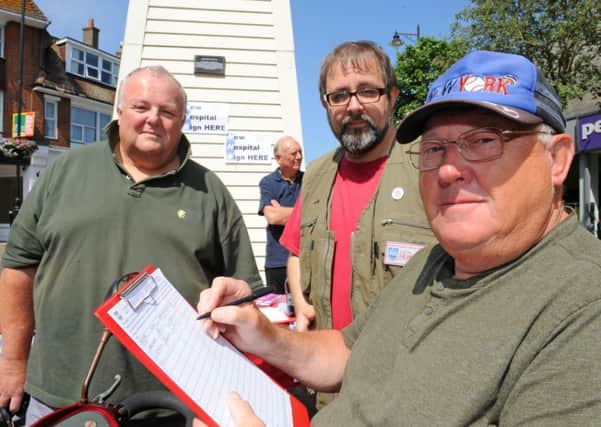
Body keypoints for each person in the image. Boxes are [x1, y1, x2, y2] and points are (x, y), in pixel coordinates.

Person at [195, 51, 601, 426]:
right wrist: (262, 335)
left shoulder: (583, 303)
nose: (447, 171)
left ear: (557, 159)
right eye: (435, 148)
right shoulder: (436, 261)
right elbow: (349, 353)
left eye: (482, 141)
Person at [0, 65, 261, 425]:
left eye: (167, 112)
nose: (153, 119)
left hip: (173, 407)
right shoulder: (66, 171)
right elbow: (18, 268)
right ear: (120, 112)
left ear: (182, 120)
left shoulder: (210, 192)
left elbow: (246, 297)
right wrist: (13, 363)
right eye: (141, 107)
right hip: (58, 398)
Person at [279, 40, 435, 408]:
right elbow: (297, 251)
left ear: (392, 96)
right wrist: (301, 303)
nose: (353, 106)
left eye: (367, 91)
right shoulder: (316, 174)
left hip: (406, 390)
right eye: (339, 96)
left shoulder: (431, 168)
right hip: (328, 394)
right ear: (326, 104)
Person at [257, 136, 303, 294]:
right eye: (293, 153)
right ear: (278, 158)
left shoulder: (309, 180)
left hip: (303, 258)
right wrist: (303, 213)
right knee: (281, 310)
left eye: (300, 152)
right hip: (277, 262)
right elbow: (273, 217)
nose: (299, 157)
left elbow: (317, 215)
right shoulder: (268, 183)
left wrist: (283, 212)